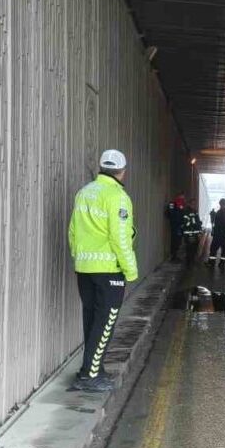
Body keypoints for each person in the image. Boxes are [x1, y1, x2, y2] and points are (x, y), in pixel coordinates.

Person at [68, 149, 138, 392]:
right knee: (105, 321)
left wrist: (79, 258)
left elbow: (73, 231)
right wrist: (130, 270)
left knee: (91, 319)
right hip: (108, 269)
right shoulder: (118, 197)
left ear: (101, 168)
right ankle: (89, 375)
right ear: (122, 172)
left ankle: (92, 368)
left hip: (85, 267)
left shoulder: (84, 193)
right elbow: (120, 238)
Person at [208, 198, 225, 267]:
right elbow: (216, 224)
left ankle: (217, 263)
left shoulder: (220, 213)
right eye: (221, 204)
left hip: (221, 234)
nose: (222, 205)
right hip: (220, 234)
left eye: (223, 204)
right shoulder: (221, 213)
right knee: (216, 249)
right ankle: (216, 263)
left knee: (218, 249)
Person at [163, 193, 185, 262]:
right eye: (181, 197)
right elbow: (169, 213)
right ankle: (173, 256)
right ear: (177, 197)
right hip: (175, 225)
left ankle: (175, 255)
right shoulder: (172, 204)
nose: (182, 199)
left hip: (179, 226)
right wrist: (174, 220)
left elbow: (182, 214)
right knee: (174, 241)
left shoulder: (182, 205)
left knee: (178, 241)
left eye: (183, 198)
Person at [181, 198, 203, 265]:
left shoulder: (195, 212)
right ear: (189, 204)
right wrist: (193, 223)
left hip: (195, 234)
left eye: (194, 204)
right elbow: (186, 223)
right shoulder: (186, 212)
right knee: (189, 248)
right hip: (189, 234)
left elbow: (198, 222)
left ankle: (192, 260)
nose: (193, 205)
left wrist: (199, 231)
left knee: (194, 248)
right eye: (192, 204)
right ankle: (189, 262)